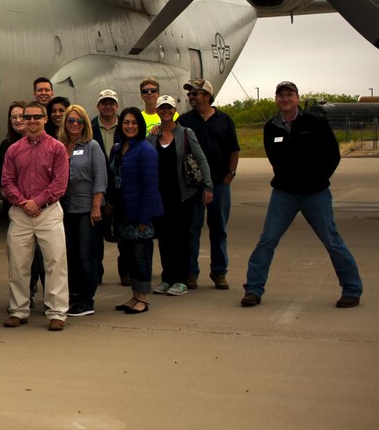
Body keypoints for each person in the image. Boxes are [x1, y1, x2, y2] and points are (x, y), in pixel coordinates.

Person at [241, 81, 362, 309]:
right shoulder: (271, 127)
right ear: (276, 99)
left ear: (297, 97)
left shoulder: (314, 122)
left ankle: (352, 289)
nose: (285, 99)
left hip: (315, 193)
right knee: (267, 240)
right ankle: (253, 290)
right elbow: (273, 157)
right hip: (284, 194)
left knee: (332, 241)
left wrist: (318, 178)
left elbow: (333, 155)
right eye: (280, 95)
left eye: (289, 94)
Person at [0, 101, 69, 331]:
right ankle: (19, 310)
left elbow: (60, 183)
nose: (31, 121)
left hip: (48, 212)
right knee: (18, 264)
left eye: (36, 117)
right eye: (27, 117)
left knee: (55, 262)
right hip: (20, 214)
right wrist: (23, 202)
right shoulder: (14, 149)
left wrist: (37, 202)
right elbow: (7, 182)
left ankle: (57, 312)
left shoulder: (57, 148)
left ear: (45, 119)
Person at [179, 77, 240, 290]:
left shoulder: (224, 120)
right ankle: (191, 273)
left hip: (220, 183)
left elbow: (234, 149)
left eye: (195, 93)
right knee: (191, 229)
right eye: (190, 94)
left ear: (207, 96)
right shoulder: (185, 120)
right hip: (194, 185)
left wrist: (230, 174)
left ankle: (219, 272)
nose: (191, 97)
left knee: (219, 228)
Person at [148, 95, 212, 297]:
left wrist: (208, 186)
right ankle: (167, 278)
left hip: (183, 195)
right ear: (157, 111)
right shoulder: (153, 136)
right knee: (165, 238)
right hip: (161, 195)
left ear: (174, 110)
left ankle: (182, 279)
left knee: (181, 237)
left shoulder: (185, 133)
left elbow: (201, 159)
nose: (166, 111)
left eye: (169, 108)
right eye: (162, 108)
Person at [108, 108, 163, 315]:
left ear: (140, 125)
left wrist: (144, 218)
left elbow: (151, 187)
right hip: (124, 212)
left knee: (141, 257)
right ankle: (134, 295)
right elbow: (113, 178)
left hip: (140, 213)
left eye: (134, 123)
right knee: (129, 257)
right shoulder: (118, 148)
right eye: (126, 123)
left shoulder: (146, 150)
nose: (130, 126)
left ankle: (142, 299)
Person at [58, 105, 107, 316]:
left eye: (78, 121)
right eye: (70, 121)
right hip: (67, 209)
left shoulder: (92, 146)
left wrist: (96, 206)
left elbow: (100, 178)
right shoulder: (60, 146)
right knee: (70, 255)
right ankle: (74, 295)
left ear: (85, 123)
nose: (74, 124)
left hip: (88, 209)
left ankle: (87, 300)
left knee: (86, 255)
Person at [91, 89, 123, 285]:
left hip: (120, 188)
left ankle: (125, 271)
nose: (108, 106)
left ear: (116, 106)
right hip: (98, 187)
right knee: (96, 237)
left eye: (111, 103)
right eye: (104, 103)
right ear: (98, 106)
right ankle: (97, 271)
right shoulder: (91, 127)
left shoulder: (126, 126)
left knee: (124, 235)